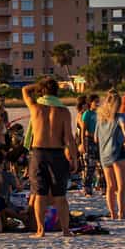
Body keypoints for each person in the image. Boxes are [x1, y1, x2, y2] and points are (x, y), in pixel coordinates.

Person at [22, 78, 78, 237]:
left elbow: (25, 90)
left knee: (39, 194)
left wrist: (38, 85)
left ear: (42, 91)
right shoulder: (63, 112)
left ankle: (41, 230)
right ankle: (66, 230)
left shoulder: (35, 108)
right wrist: (74, 158)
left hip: (38, 153)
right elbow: (69, 138)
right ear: (56, 92)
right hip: (57, 154)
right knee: (60, 196)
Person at [96, 90, 125, 220]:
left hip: (104, 154)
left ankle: (112, 213)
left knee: (110, 186)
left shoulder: (100, 119)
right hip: (117, 152)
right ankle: (121, 212)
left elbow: (96, 138)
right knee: (121, 186)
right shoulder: (119, 117)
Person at [0, 149, 23, 232]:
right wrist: (14, 174)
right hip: (2, 206)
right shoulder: (7, 175)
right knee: (24, 215)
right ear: (2, 163)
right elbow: (19, 188)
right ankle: (0, 225)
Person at [79, 94, 100, 196]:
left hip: (98, 141)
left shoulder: (98, 114)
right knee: (90, 165)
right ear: (90, 103)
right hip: (89, 140)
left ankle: (102, 186)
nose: (97, 103)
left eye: (98, 101)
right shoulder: (87, 113)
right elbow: (83, 130)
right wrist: (83, 144)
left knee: (99, 165)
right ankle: (87, 188)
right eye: (95, 101)